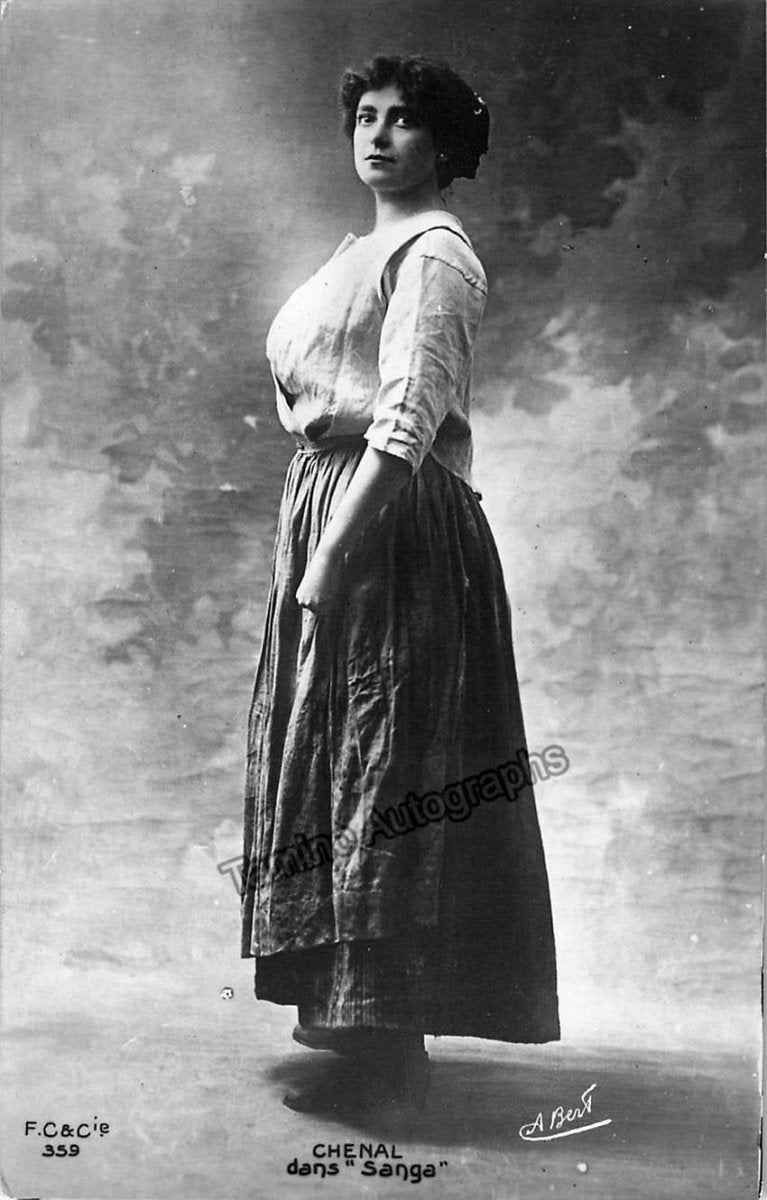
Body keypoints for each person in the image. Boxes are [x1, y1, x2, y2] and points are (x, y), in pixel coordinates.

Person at [241, 53, 559, 1115]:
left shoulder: (436, 254)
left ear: (445, 143)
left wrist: (335, 551)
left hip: (392, 522)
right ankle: (347, 1016)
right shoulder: (357, 253)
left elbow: (407, 416)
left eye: (405, 120)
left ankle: (392, 1048)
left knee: (388, 766)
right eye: (365, 117)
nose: (378, 136)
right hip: (330, 504)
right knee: (330, 757)